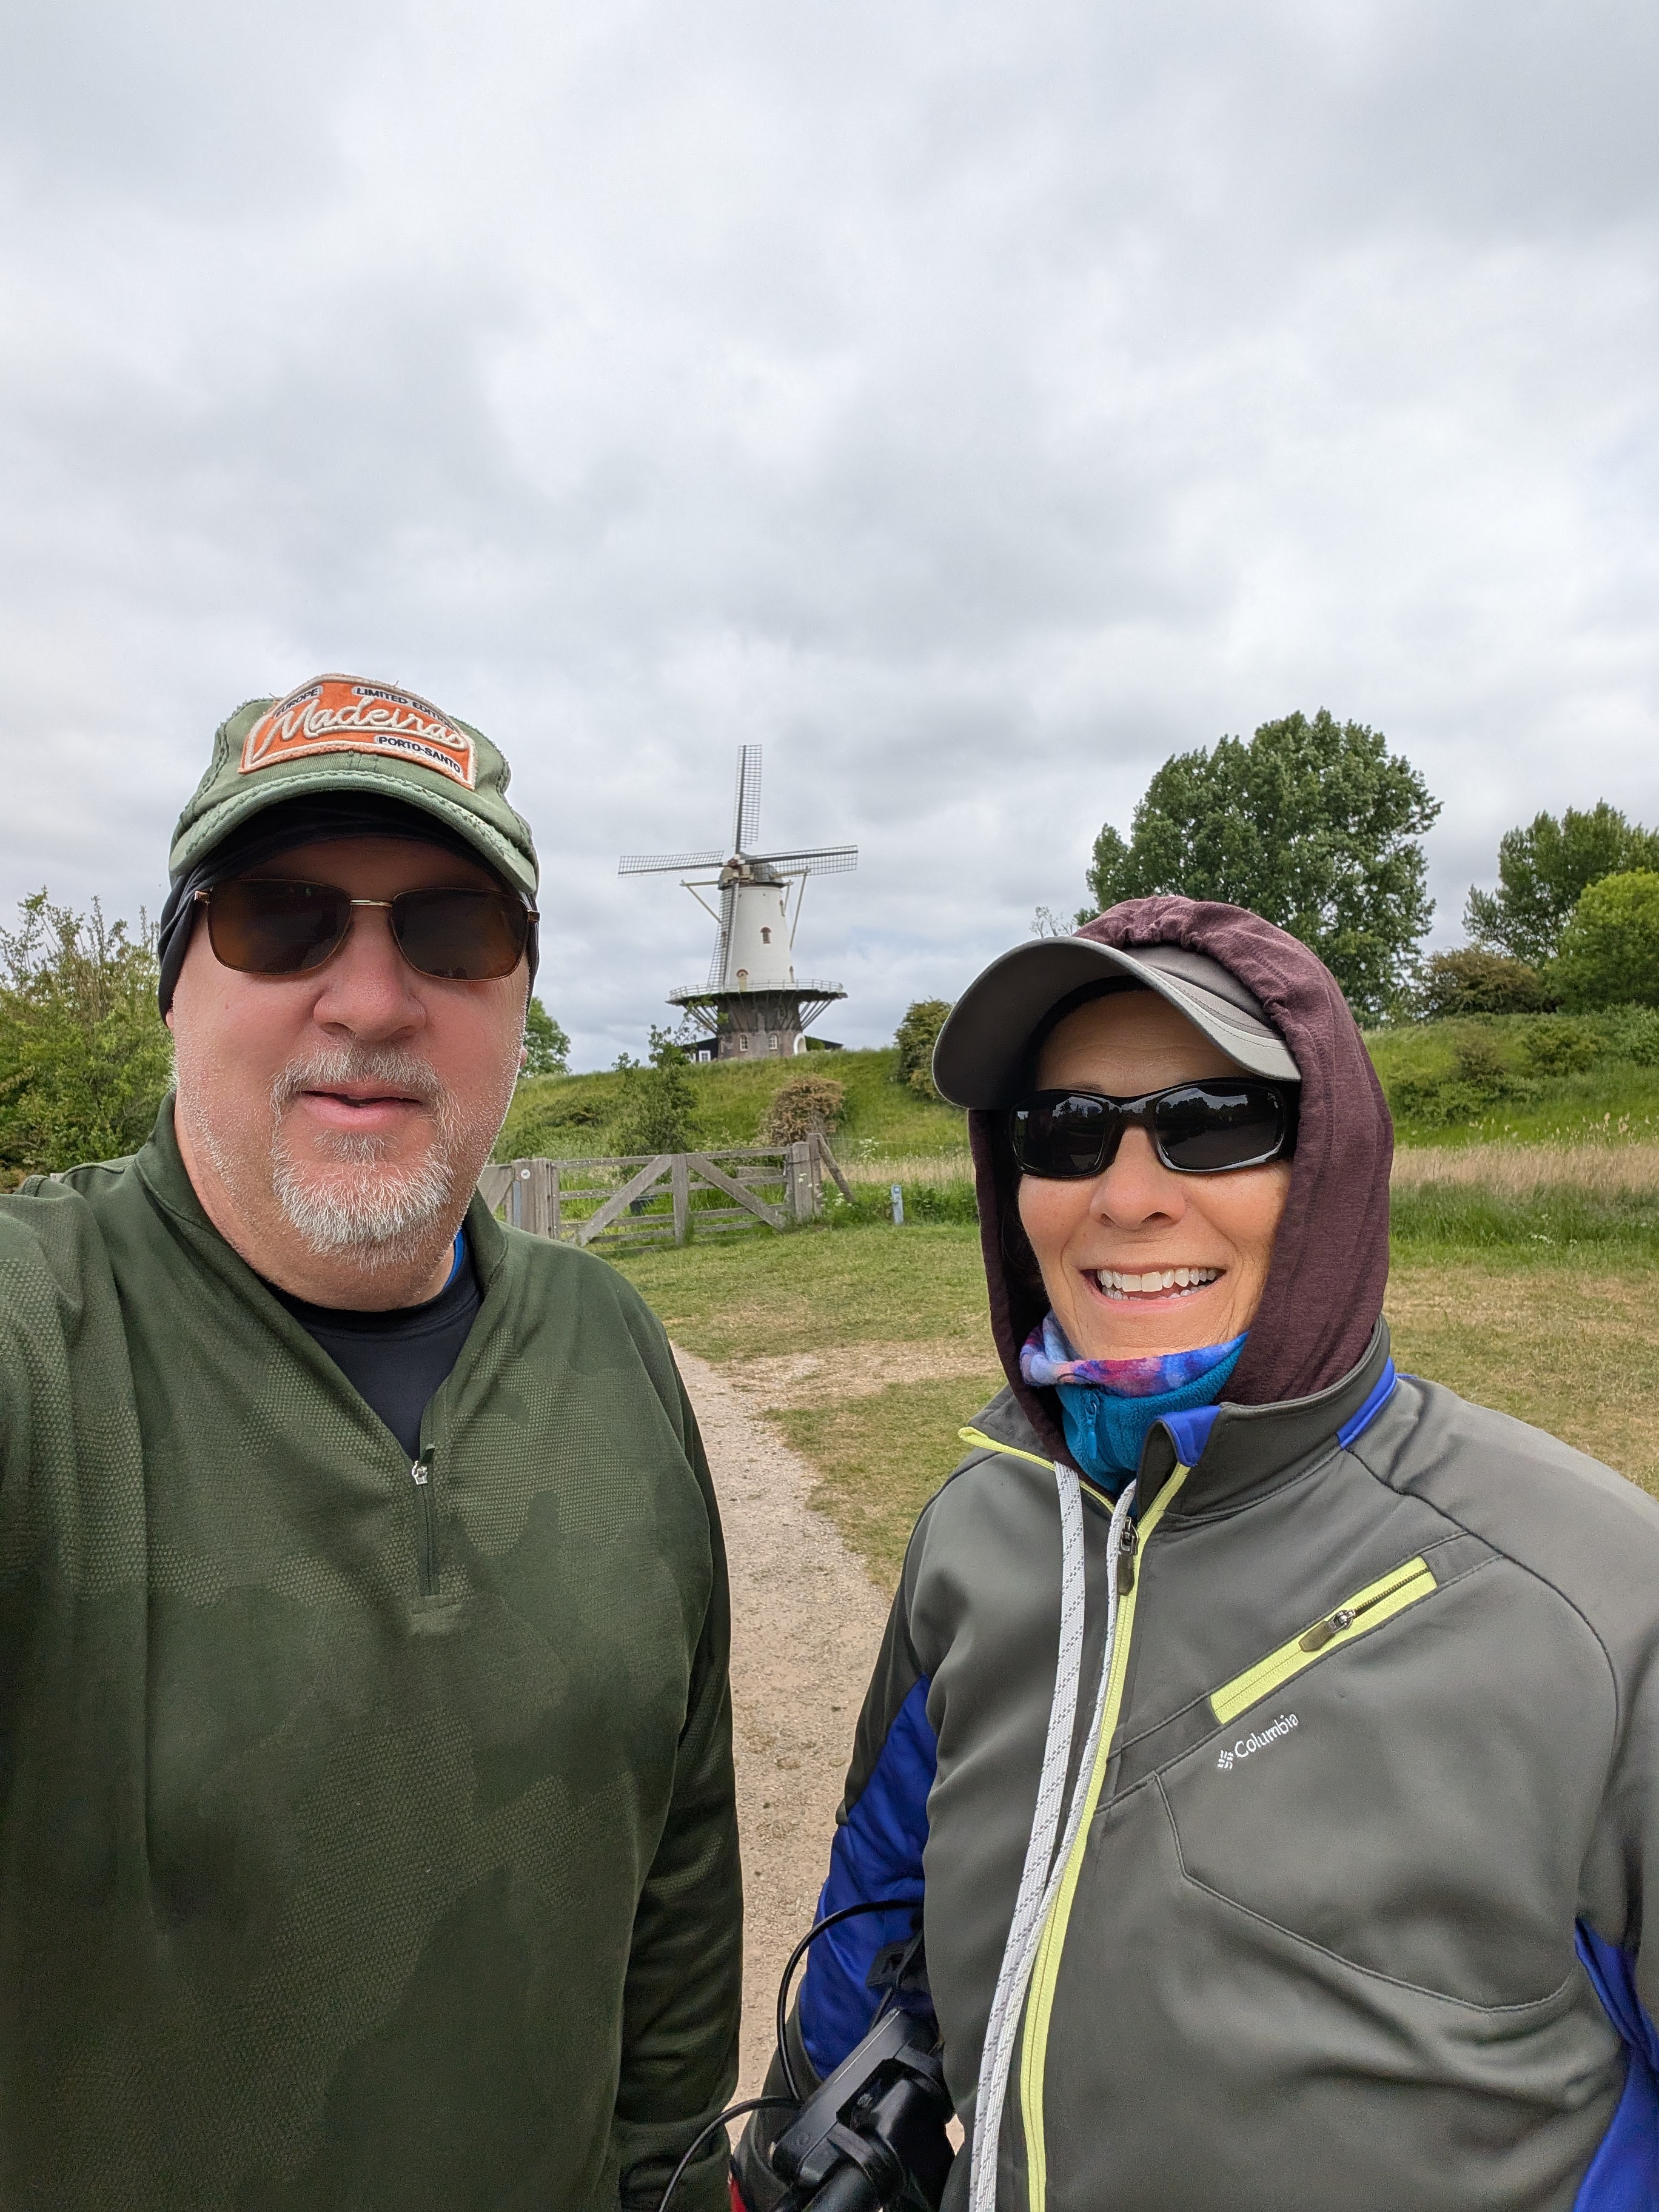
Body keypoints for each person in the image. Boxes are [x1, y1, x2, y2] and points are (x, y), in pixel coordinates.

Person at [738, 896, 1659, 2212]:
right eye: (1062, 1133)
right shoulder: (983, 1527)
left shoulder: (1600, 1605)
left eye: (1214, 1124)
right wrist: (782, 2154)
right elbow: (875, 1919)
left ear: (1332, 1166)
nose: (1124, 1197)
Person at [0, 675, 742, 2210]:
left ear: (520, 995)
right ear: (175, 980)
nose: (371, 996)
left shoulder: (613, 1348)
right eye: (281, 919)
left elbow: (674, 1876)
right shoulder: (41, 1334)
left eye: (453, 929)